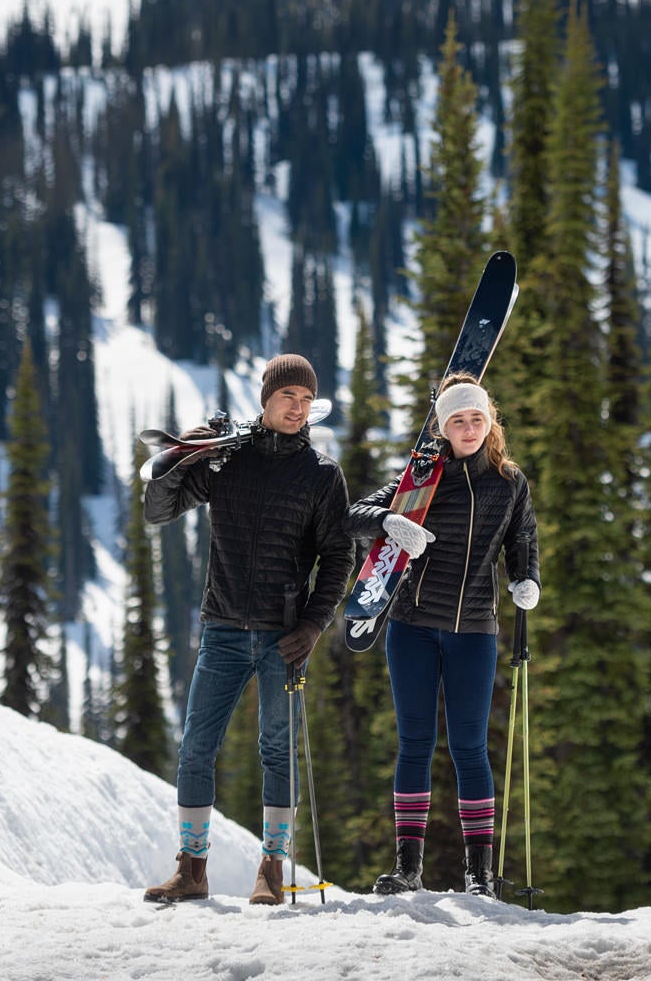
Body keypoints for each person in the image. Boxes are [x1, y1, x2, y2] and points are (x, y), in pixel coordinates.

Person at [141, 354, 353, 906]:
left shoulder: (323, 475)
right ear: (265, 399)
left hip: (284, 636)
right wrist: (182, 456)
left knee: (277, 751)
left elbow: (338, 556)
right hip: (223, 630)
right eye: (288, 397)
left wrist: (313, 624)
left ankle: (273, 871)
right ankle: (192, 870)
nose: (298, 408)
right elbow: (158, 510)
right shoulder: (227, 461)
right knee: (196, 748)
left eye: (307, 400)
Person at [347, 372, 540, 898]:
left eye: (477, 417)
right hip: (411, 627)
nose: (470, 427)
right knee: (415, 744)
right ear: (443, 427)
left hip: (474, 631)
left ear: (489, 420)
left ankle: (479, 876)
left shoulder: (510, 482)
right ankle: (407, 867)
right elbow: (351, 515)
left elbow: (523, 544)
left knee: (470, 748)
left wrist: (528, 583)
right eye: (458, 419)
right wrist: (390, 521)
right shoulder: (421, 478)